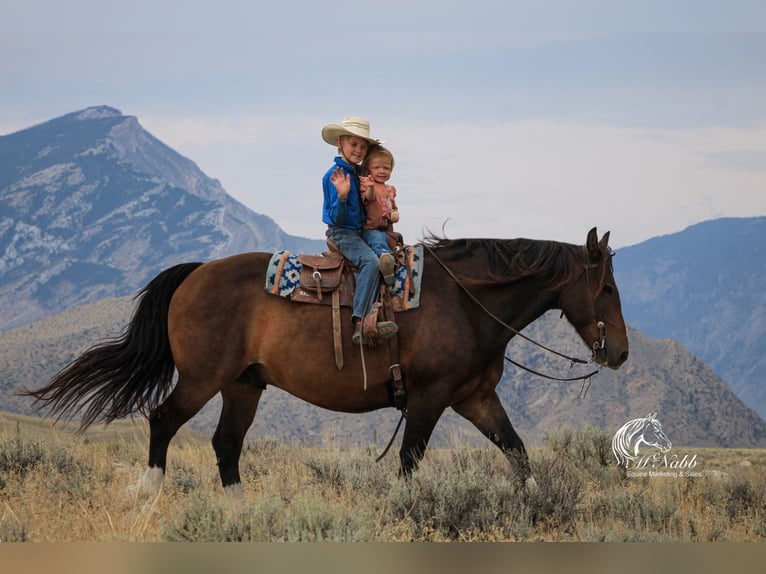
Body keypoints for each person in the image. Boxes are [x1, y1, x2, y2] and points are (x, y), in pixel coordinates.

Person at [321, 116, 398, 346]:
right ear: (340, 143)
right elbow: (336, 217)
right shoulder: (336, 176)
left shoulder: (357, 174)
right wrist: (342, 197)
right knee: (371, 262)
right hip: (342, 233)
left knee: (382, 246)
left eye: (363, 147)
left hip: (359, 231)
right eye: (354, 144)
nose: (358, 150)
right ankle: (361, 321)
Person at [359, 145, 398, 288]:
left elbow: (394, 208)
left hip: (387, 229)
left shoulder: (390, 190)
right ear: (369, 169)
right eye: (377, 168)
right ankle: (385, 261)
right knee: (377, 240)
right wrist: (370, 187)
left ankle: (391, 259)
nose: (382, 171)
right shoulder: (368, 185)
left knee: (395, 240)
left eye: (386, 168)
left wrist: (395, 214)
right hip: (370, 228)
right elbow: (368, 198)